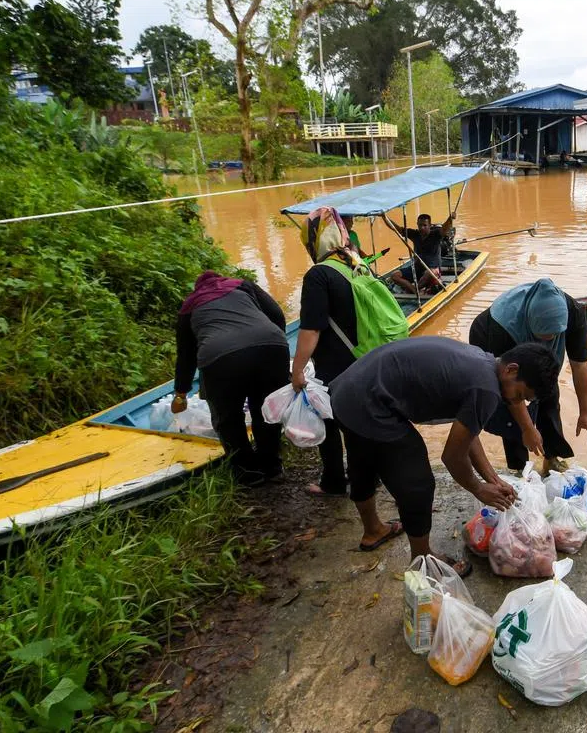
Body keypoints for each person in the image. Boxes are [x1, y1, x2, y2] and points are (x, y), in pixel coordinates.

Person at [330, 337, 561, 573]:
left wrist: (492, 478)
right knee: (417, 482)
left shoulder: (483, 361)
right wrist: (478, 488)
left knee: (363, 460)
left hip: (348, 392)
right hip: (370, 405)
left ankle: (373, 531)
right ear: (512, 370)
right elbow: (452, 456)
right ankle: (424, 560)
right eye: (520, 394)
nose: (516, 401)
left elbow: (467, 435)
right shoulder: (487, 389)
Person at [469, 278, 587, 474]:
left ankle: (552, 457)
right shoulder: (504, 328)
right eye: (541, 336)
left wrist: (586, 412)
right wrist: (528, 428)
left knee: (549, 395)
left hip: (535, 354)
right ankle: (520, 468)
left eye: (553, 336)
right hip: (490, 337)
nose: (547, 341)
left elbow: (580, 364)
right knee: (509, 409)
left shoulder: (573, 314)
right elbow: (512, 391)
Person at [172, 271, 289, 484]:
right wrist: (275, 340)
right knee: (267, 409)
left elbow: (186, 356)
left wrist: (181, 392)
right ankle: (272, 467)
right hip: (272, 347)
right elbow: (277, 315)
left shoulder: (190, 305)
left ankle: (247, 472)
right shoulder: (243, 286)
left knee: (228, 418)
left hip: (221, 357)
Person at [290, 208, 362, 497]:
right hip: (364, 357)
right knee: (359, 424)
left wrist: (297, 371)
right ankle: (368, 476)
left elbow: (311, 329)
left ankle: (334, 482)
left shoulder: (319, 274)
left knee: (329, 423)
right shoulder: (355, 263)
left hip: (335, 366)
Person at [390, 213, 454, 294]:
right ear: (417, 224)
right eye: (420, 225)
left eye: (425, 225)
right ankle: (413, 289)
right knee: (394, 275)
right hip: (417, 269)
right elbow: (397, 229)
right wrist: (385, 218)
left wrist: (450, 218)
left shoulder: (436, 234)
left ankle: (413, 289)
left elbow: (444, 229)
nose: (422, 228)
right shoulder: (415, 234)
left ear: (430, 225)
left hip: (431, 270)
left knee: (431, 273)